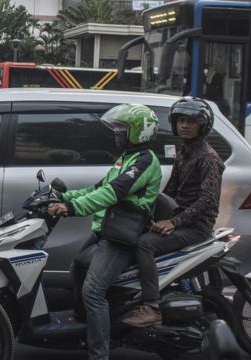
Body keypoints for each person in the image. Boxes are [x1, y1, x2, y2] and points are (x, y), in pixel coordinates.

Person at [48, 104, 162, 360]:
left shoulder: (144, 161)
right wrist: (62, 196)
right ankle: (83, 325)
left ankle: (99, 354)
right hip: (106, 229)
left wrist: (71, 207)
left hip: (121, 235)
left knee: (93, 291)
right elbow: (97, 187)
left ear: (139, 132)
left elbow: (111, 193)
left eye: (122, 129)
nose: (117, 133)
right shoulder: (127, 158)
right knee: (76, 267)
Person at [123, 97, 225, 328]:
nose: (185, 125)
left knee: (145, 244)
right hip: (179, 220)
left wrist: (173, 222)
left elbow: (208, 201)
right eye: (180, 120)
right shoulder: (184, 151)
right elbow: (170, 190)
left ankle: (151, 306)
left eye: (191, 121)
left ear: (202, 126)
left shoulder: (208, 158)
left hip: (196, 227)